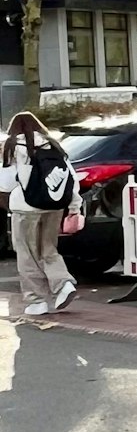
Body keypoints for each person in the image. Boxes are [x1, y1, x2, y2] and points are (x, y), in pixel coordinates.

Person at [2, 112, 82, 317]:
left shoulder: (13, 146)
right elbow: (71, 178)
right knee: (48, 249)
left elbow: (7, 182)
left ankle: (36, 301)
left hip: (25, 208)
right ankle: (63, 284)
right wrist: (74, 207)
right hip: (54, 207)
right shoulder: (52, 144)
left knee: (27, 254)